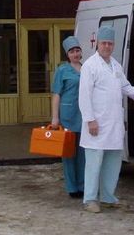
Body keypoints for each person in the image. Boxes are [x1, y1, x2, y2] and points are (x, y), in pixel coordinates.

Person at [78, 26, 134, 213]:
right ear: (97, 44)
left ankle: (108, 197)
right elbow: (84, 96)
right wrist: (90, 120)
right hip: (96, 124)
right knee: (94, 164)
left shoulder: (115, 65)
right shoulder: (90, 66)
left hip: (113, 123)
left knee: (113, 163)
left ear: (113, 45)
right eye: (104, 43)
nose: (107, 46)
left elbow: (126, 87)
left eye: (110, 43)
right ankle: (90, 199)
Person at [50, 35, 85, 198]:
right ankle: (72, 187)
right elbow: (56, 94)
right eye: (72, 52)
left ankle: (83, 185)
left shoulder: (87, 68)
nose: (75, 54)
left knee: (83, 153)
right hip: (68, 116)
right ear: (67, 54)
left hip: (84, 115)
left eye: (77, 50)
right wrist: (55, 117)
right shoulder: (62, 70)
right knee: (69, 153)